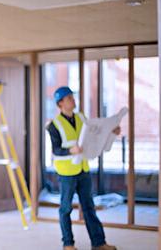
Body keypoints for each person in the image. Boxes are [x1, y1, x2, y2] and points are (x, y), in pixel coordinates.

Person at [47, 86, 119, 250]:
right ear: (60, 103)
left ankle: (99, 243)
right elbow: (56, 150)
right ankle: (68, 244)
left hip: (83, 170)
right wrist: (69, 150)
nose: (73, 100)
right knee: (65, 209)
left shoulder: (81, 118)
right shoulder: (54, 125)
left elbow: (95, 135)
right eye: (69, 98)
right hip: (66, 173)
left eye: (73, 97)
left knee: (89, 207)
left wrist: (111, 132)